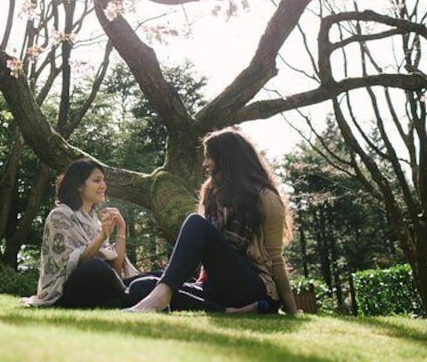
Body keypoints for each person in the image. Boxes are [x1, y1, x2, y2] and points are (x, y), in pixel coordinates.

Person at [126, 127, 299, 315]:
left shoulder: (265, 198)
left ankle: (162, 297)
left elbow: (275, 258)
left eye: (209, 157)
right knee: (140, 287)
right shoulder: (212, 193)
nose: (204, 164)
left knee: (195, 223)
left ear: (226, 159)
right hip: (215, 287)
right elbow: (207, 250)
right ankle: (230, 311)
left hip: (252, 285)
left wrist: (291, 309)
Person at [21, 158, 153, 308]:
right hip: (65, 291)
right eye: (96, 181)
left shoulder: (94, 221)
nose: (103, 186)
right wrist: (102, 235)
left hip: (100, 287)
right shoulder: (59, 216)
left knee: (156, 276)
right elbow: (76, 266)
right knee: (95, 267)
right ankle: (135, 299)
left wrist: (121, 229)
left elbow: (115, 269)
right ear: (79, 185)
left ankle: (167, 296)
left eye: (103, 181)